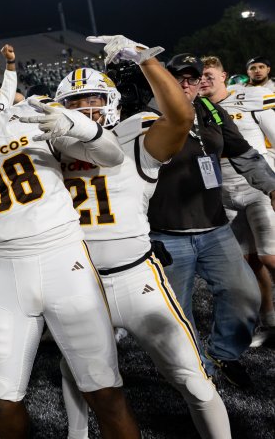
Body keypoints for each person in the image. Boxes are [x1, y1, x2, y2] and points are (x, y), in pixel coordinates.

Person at [0, 62, 140, 438]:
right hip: (1, 270)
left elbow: (112, 157)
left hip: (63, 259)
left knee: (104, 390)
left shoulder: (30, 116)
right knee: (1, 397)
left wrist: (78, 125)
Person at [55, 36, 230, 439]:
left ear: (112, 103)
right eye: (75, 103)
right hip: (80, 283)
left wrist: (145, 59)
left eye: (94, 99)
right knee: (78, 373)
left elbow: (181, 117)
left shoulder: (137, 137)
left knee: (193, 381)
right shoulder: (53, 146)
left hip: (138, 279)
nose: (86, 109)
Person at [148, 53, 275, 389]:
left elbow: (243, 153)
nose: (187, 84)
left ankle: (223, 354)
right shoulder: (147, 115)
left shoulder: (211, 111)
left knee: (245, 294)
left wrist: (272, 186)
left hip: (214, 226)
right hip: (167, 232)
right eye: (178, 77)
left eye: (193, 78)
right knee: (176, 312)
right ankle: (198, 370)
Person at [198, 56, 275, 344]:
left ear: (224, 76)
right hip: (223, 193)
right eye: (200, 76)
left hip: (257, 187)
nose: (204, 80)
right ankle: (269, 322)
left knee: (270, 256)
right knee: (250, 261)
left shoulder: (249, 97)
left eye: (209, 74)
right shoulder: (196, 108)